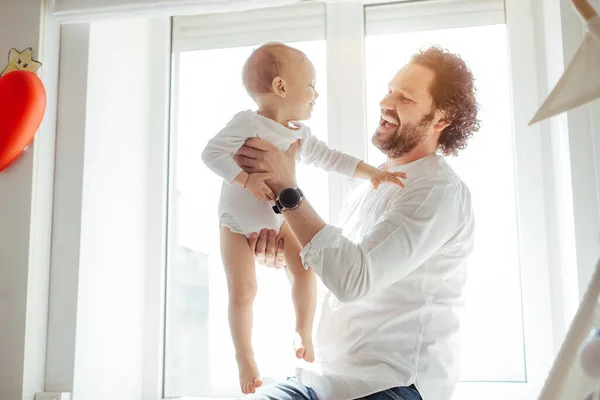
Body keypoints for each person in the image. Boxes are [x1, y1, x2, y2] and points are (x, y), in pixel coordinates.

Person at [235, 45, 480, 400]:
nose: (386, 101)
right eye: (390, 89)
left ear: (441, 120)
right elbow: (335, 274)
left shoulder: (436, 191)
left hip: (392, 385)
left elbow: (354, 280)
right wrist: (285, 252)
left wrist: (286, 189)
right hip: (323, 380)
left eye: (405, 98)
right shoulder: (373, 184)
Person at [201, 42, 406, 395]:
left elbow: (330, 158)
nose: (316, 94)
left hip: (279, 218)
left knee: (303, 269)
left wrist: (369, 172)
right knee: (242, 290)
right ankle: (245, 357)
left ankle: (302, 329)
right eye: (311, 85)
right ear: (281, 87)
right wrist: (246, 179)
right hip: (234, 222)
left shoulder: (299, 134)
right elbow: (211, 154)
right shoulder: (246, 123)